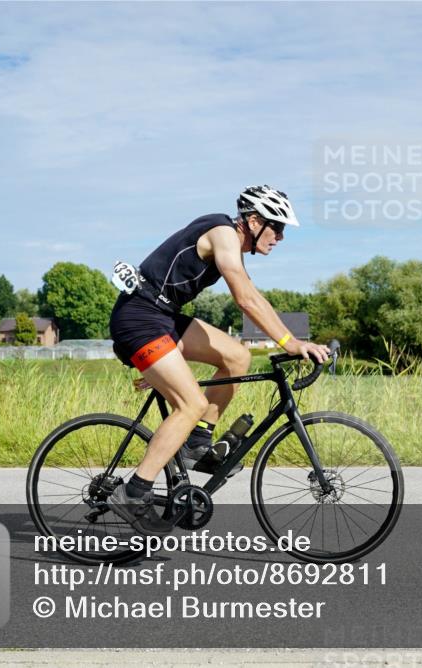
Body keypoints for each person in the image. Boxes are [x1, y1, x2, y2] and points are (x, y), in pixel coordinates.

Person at [106, 185, 331, 535]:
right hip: (139, 317)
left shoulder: (232, 247)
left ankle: (196, 444)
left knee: (237, 356)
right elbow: (245, 300)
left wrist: (166, 363)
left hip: (162, 318)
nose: (281, 237)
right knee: (190, 404)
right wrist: (290, 342)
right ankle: (134, 492)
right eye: (278, 228)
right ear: (254, 221)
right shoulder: (223, 232)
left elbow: (254, 295)